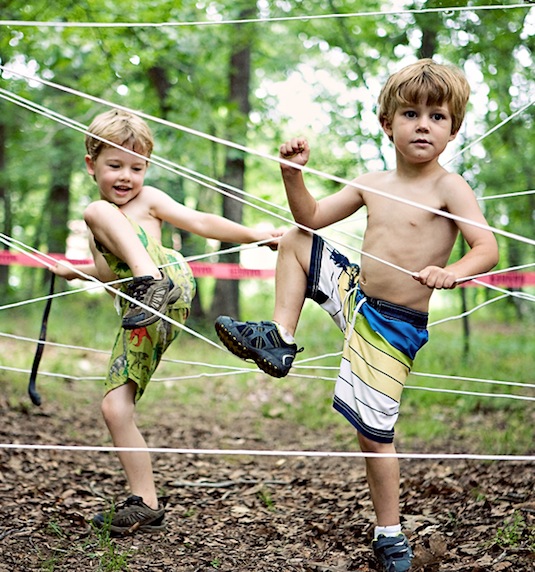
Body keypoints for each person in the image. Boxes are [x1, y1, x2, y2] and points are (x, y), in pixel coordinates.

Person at [215, 59, 499, 571]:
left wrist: (452, 271)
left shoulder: (449, 188)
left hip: (394, 325)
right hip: (356, 298)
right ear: (387, 124)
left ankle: (389, 533)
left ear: (453, 129)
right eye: (410, 113)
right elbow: (311, 217)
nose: (422, 124)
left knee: (374, 434)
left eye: (437, 116)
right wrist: (291, 174)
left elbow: (487, 247)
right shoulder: (372, 181)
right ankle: (279, 336)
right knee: (296, 239)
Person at [52, 108, 282, 536]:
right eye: (115, 165)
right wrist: (75, 271)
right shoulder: (98, 226)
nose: (127, 177)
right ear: (91, 164)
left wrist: (255, 233)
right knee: (114, 407)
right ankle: (146, 503)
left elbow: (200, 222)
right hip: (142, 311)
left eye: (136, 168)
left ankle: (149, 280)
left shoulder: (140, 202)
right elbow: (109, 275)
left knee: (96, 210)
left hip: (167, 284)